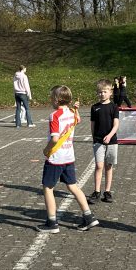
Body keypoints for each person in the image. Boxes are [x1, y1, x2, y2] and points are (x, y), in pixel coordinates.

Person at [36, 85, 99, 233]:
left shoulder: (55, 115)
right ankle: (89, 216)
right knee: (73, 186)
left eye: (51, 97)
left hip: (56, 158)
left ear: (57, 100)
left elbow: (55, 138)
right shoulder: (72, 112)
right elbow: (77, 120)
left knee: (48, 187)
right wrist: (75, 108)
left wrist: (46, 149)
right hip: (69, 156)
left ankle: (52, 222)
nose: (50, 100)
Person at [88, 79, 120, 204]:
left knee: (109, 166)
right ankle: (96, 191)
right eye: (100, 92)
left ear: (110, 92)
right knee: (99, 165)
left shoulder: (114, 107)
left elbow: (116, 124)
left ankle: (107, 191)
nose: (102, 94)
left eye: (105, 92)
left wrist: (110, 135)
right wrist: (94, 137)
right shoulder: (94, 107)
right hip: (98, 141)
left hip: (112, 141)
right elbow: (92, 124)